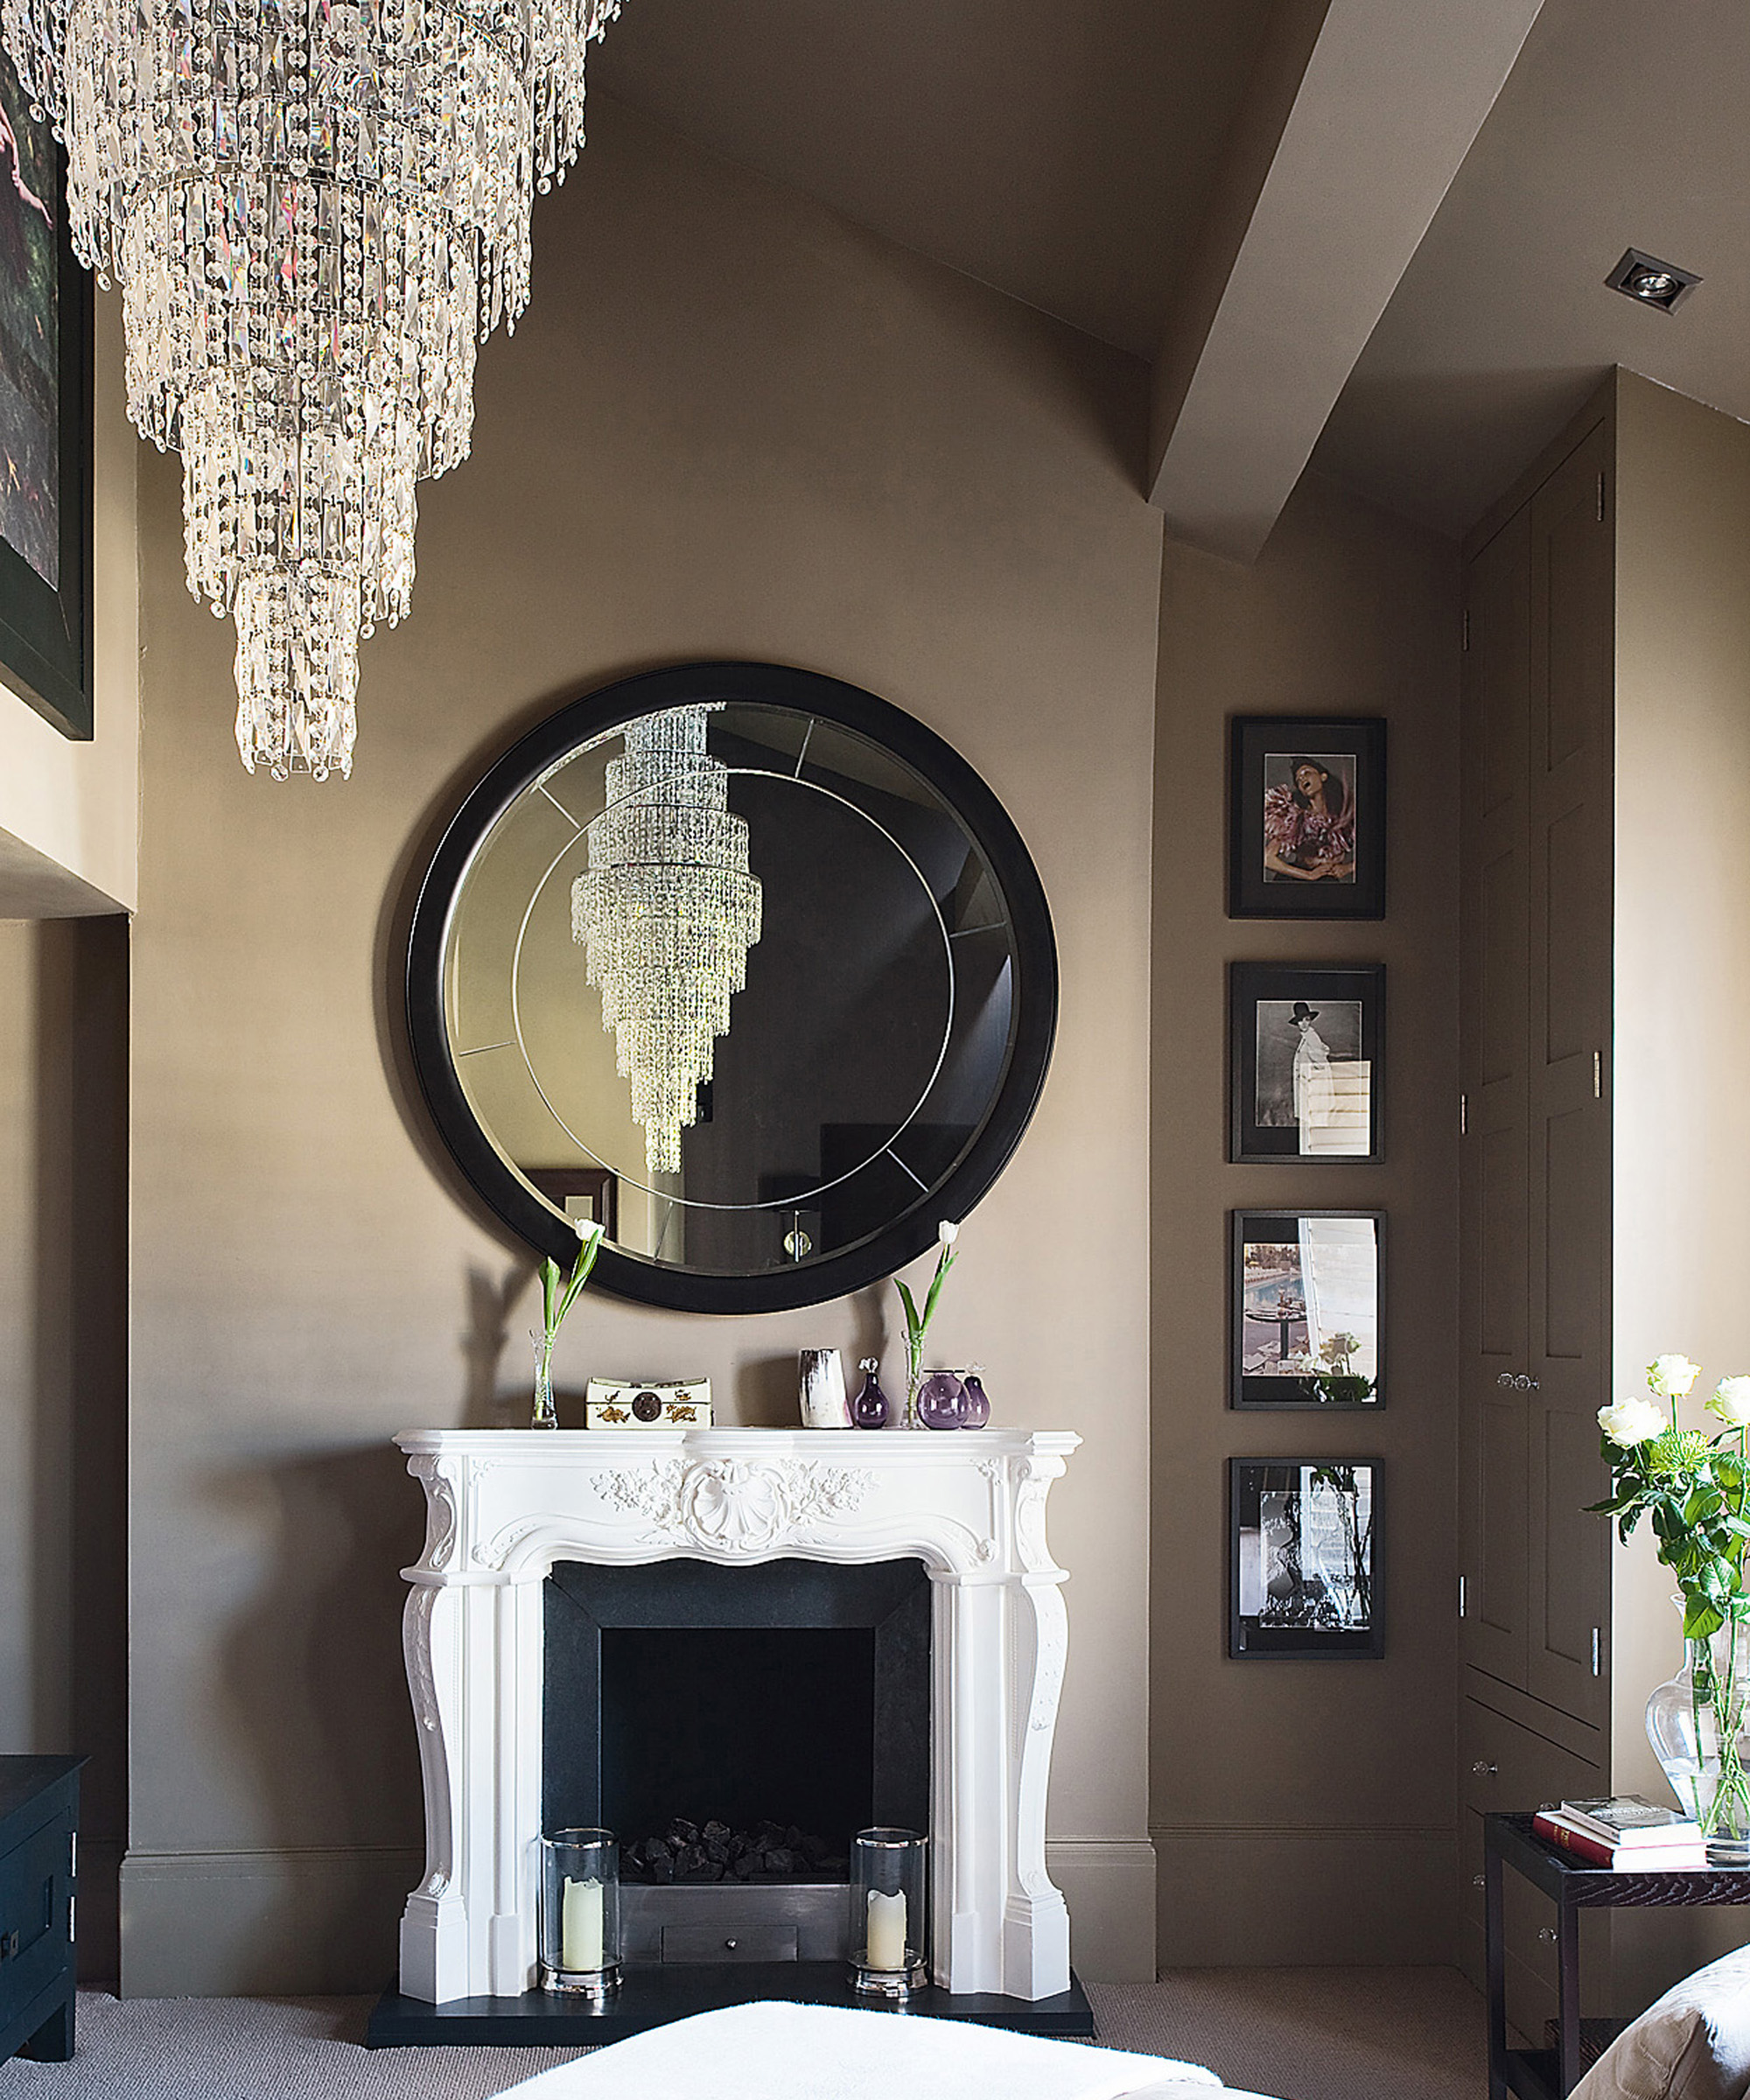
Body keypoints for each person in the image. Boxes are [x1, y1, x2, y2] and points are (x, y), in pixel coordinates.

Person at [1264, 757, 1355, 882]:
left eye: (1307, 773)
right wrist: (1309, 875)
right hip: (1295, 882)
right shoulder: (1296, 817)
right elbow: (1267, 858)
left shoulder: (1346, 812)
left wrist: (1348, 868)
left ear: (1323, 777)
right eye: (1299, 779)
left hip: (1328, 884)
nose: (1303, 779)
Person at [1290, 1001, 1334, 1129]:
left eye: (1307, 1019)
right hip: (1308, 1087)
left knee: (1316, 1123)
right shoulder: (1306, 1037)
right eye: (1300, 1020)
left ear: (1310, 1021)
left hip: (1313, 1088)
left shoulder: (1312, 1037)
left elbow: (1321, 1063)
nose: (1304, 1023)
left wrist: (1307, 1077)